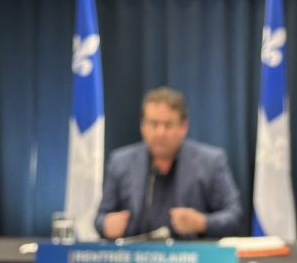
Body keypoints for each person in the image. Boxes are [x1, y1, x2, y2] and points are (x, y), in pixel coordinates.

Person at [95, 87, 243, 240]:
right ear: (142, 126)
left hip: (190, 258)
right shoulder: (120, 162)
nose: (160, 132)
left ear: (184, 126)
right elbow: (100, 218)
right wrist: (106, 225)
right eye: (153, 124)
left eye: (168, 125)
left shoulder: (211, 162)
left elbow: (234, 215)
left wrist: (203, 223)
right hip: (136, 257)